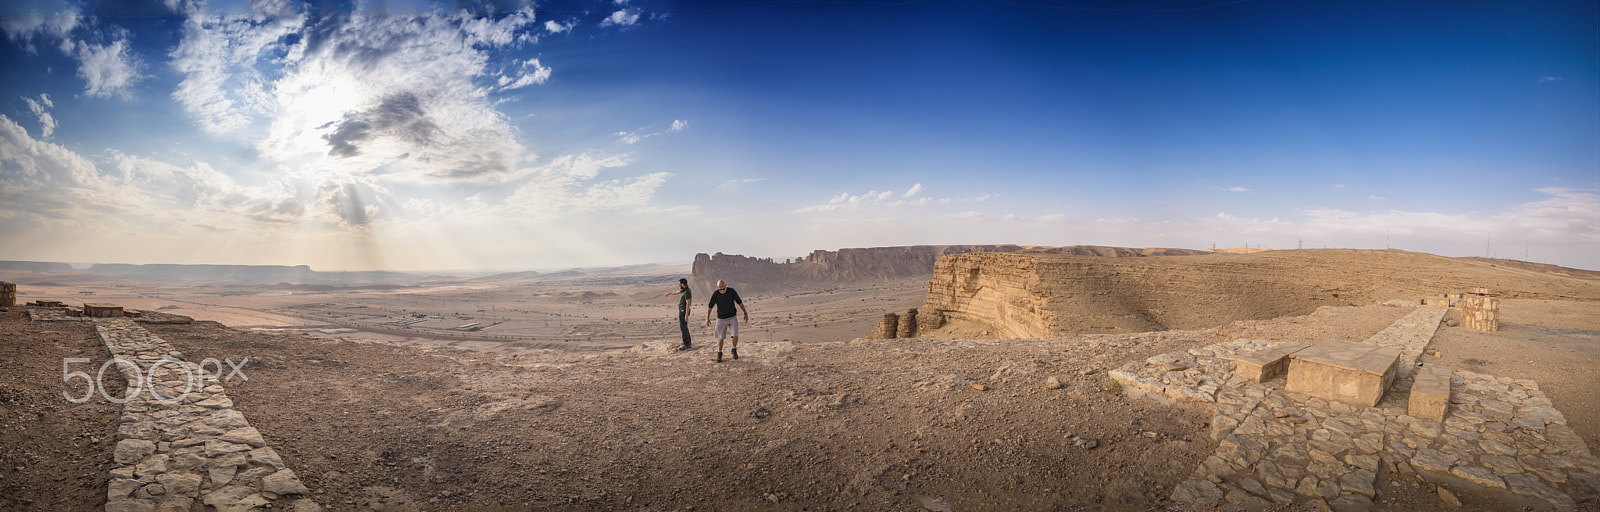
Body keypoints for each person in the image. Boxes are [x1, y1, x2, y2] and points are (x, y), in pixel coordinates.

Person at [704, 279, 748, 363]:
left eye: (723, 289)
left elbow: (740, 302)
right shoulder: (716, 294)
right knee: (721, 338)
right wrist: (707, 318)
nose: (722, 291)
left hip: (732, 317)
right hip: (721, 319)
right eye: (720, 289)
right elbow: (710, 307)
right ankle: (719, 353)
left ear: (725, 286)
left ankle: (734, 350)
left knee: (735, 335)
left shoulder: (732, 292)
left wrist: (745, 313)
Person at [660, 278, 693, 351]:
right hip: (683, 311)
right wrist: (669, 293)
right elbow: (676, 292)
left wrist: (686, 315)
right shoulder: (684, 290)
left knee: (683, 328)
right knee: (685, 327)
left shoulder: (687, 292)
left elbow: (688, 304)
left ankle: (686, 344)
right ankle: (688, 342)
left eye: (679, 284)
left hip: (684, 312)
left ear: (682, 284)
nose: (679, 286)